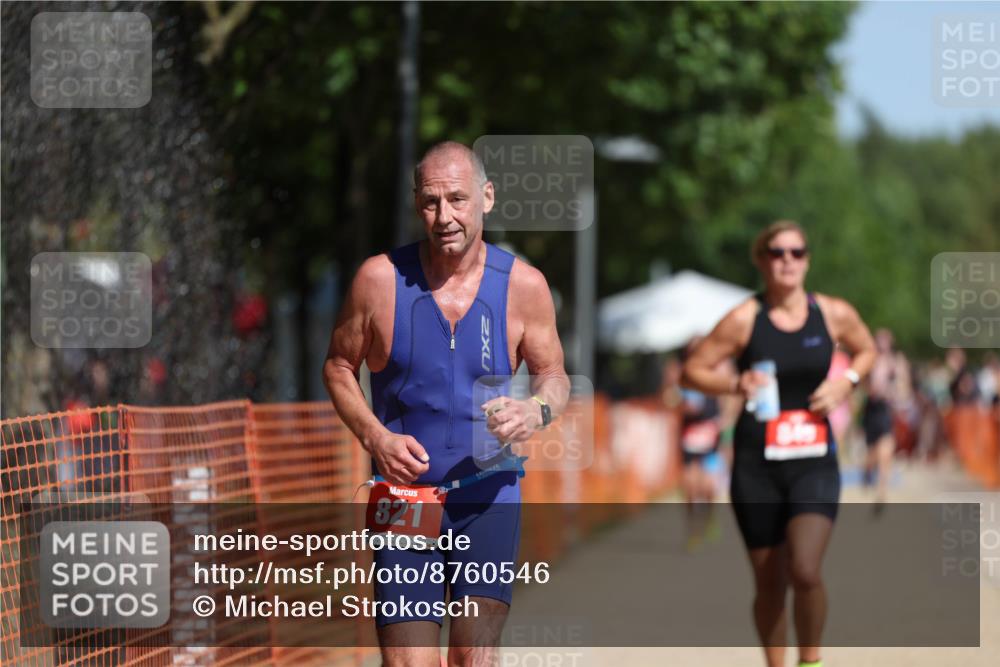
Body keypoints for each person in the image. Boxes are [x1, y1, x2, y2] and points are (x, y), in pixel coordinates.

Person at [323, 141, 569, 667]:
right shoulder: (379, 280)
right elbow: (339, 367)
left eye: (457, 200)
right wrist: (375, 437)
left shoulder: (524, 286)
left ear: (487, 197)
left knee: (473, 656)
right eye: (431, 202)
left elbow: (553, 377)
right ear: (417, 203)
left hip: (488, 494)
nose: (444, 217)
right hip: (404, 499)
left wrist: (535, 411)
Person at [681, 220, 876, 667]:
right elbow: (694, 370)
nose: (787, 260)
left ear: (807, 260)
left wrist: (846, 383)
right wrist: (735, 383)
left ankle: (810, 661)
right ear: (761, 260)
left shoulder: (832, 313)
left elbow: (867, 350)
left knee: (804, 569)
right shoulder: (745, 319)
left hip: (814, 462)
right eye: (776, 252)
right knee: (769, 582)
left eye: (797, 252)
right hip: (757, 466)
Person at [861, 329, 899, 507]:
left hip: (885, 411)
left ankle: (881, 493)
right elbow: (861, 383)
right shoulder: (870, 361)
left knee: (886, 452)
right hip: (871, 411)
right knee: (872, 453)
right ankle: (867, 470)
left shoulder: (895, 363)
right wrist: (871, 389)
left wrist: (893, 392)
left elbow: (903, 386)